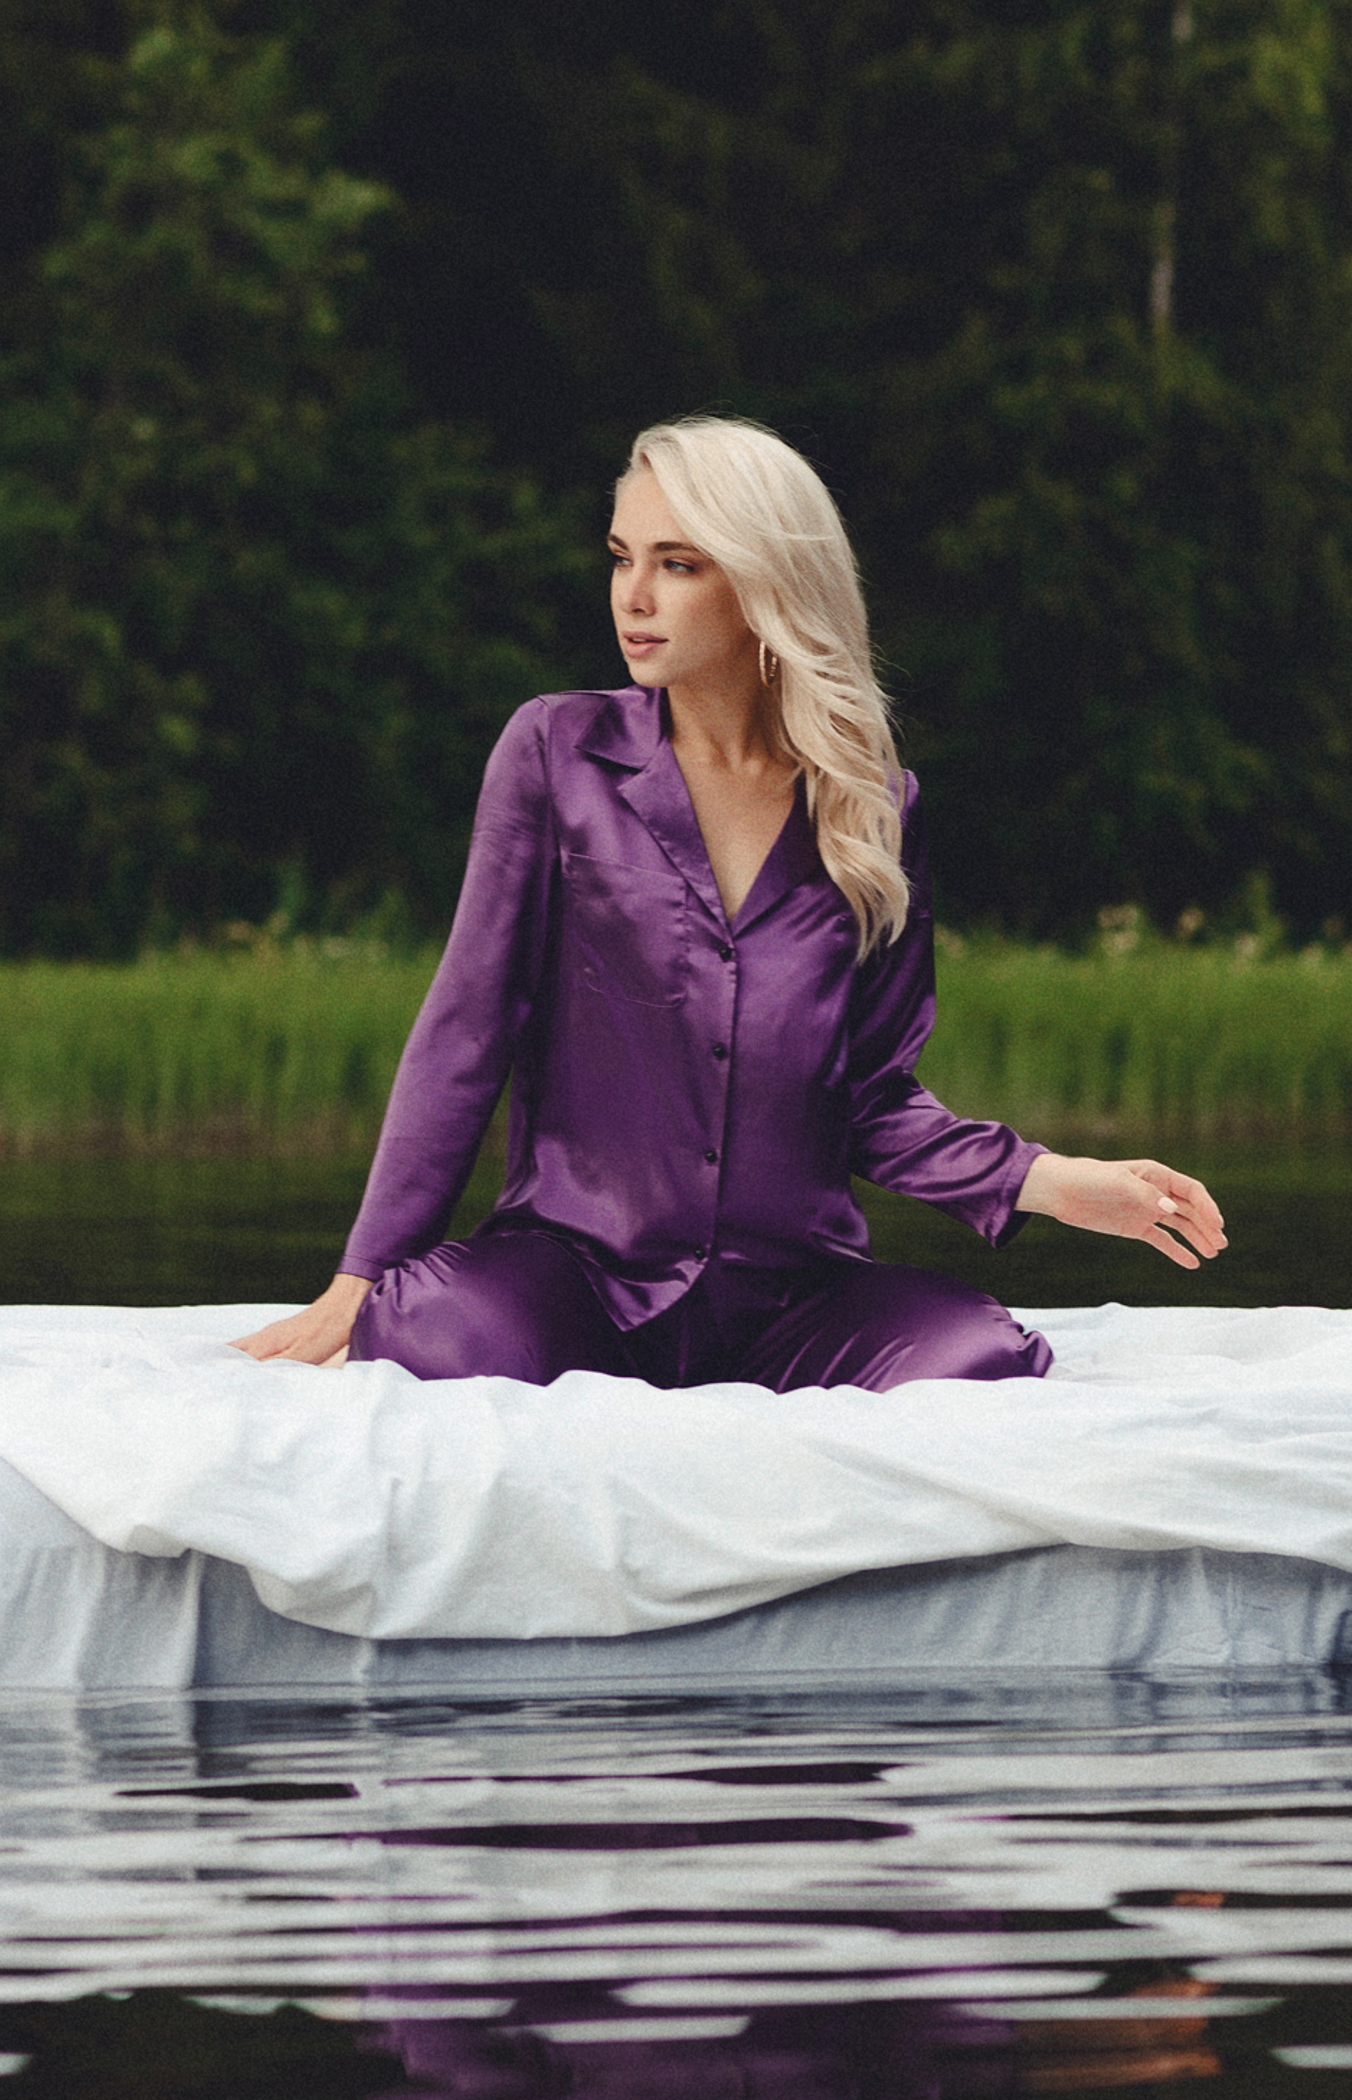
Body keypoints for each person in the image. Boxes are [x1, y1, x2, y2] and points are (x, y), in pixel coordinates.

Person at [237, 416, 1225, 1390]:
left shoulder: (874, 807)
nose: (633, 595)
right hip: (574, 1284)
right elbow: (467, 1029)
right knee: (435, 1327)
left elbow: (874, 1097)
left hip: (793, 1302)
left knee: (980, 1356)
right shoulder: (555, 753)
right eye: (622, 557)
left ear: (767, 583)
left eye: (678, 564)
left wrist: (1055, 1184)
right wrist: (359, 1280)